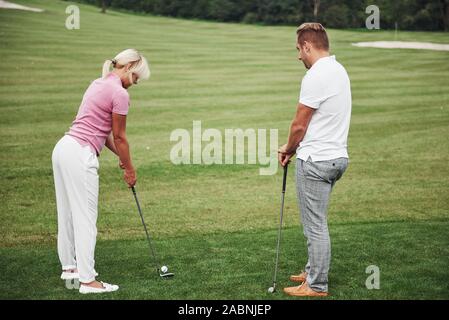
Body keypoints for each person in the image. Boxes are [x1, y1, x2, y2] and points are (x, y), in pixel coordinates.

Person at [52, 49, 150, 294]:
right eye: (136, 77)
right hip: (80, 154)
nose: (135, 83)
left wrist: (121, 157)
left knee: (67, 213)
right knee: (85, 219)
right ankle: (88, 281)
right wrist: (129, 168)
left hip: (64, 148)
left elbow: (104, 133)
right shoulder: (119, 93)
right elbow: (120, 136)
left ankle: (70, 268)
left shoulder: (98, 83)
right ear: (129, 67)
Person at [278, 23, 351, 297]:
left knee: (315, 224)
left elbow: (299, 125)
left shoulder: (315, 75)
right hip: (336, 158)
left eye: (299, 49)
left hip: (316, 161)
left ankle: (316, 285)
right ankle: (311, 271)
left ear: (308, 46)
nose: (298, 55)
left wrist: (288, 148)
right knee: (315, 221)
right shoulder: (338, 69)